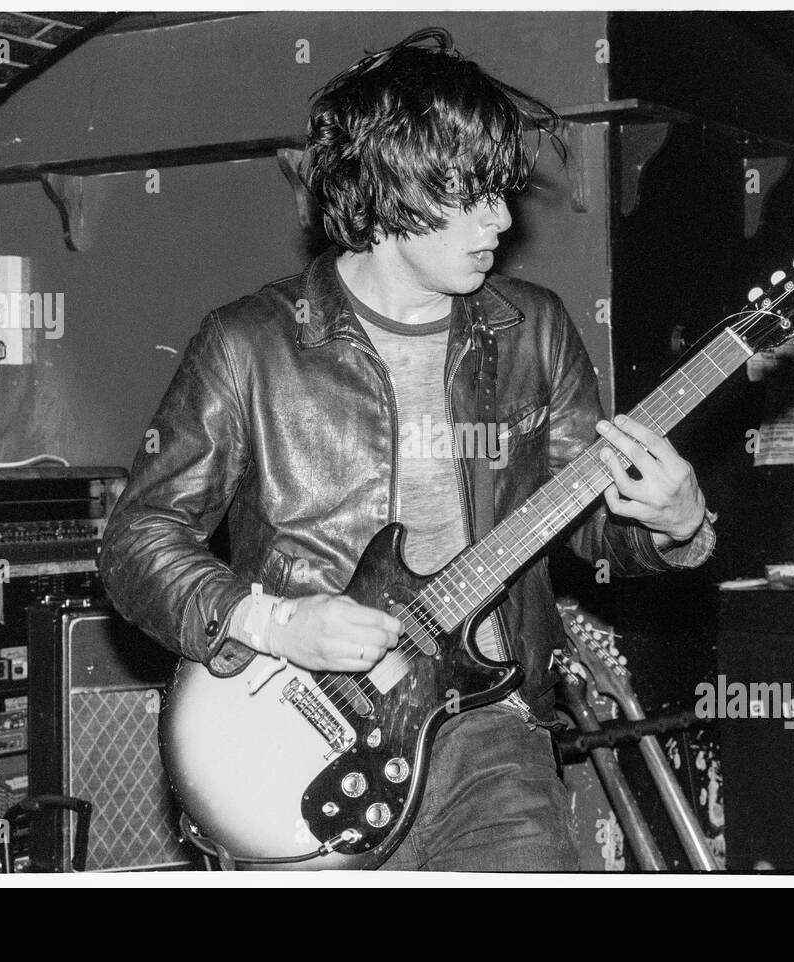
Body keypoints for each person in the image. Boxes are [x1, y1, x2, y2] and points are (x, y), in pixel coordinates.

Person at [98, 28, 715, 871]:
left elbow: (589, 524)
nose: (500, 218)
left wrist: (676, 524)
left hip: (490, 730)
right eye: (473, 192)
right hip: (301, 736)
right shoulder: (251, 344)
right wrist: (277, 623)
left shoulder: (532, 330)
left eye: (503, 191)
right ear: (389, 187)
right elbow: (136, 539)